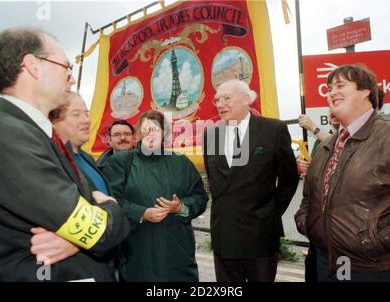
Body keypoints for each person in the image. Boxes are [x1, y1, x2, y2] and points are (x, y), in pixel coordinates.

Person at [0, 27, 128, 281]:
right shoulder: (3, 137)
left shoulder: (31, 132)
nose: (71, 78)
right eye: (66, 67)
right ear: (33, 66)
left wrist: (78, 237)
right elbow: (100, 232)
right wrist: (111, 206)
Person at [295, 64, 390, 282]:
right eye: (329, 87)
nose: (331, 92)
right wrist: (308, 224)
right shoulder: (327, 147)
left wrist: (384, 239)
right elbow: (309, 197)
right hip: (329, 265)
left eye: (340, 85)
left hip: (384, 269)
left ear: (366, 91)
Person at [203, 79, 299, 282]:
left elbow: (289, 179)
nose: (220, 104)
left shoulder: (273, 130)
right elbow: (215, 181)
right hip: (225, 236)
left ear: (246, 99)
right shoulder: (211, 134)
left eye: (226, 98)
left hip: (260, 236)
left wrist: (270, 211)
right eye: (217, 100)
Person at [103, 110, 208, 282]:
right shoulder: (120, 162)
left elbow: (200, 197)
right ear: (138, 133)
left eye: (156, 130)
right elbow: (112, 202)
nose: (151, 135)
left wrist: (181, 207)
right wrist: (142, 213)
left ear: (165, 134)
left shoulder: (181, 162)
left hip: (177, 250)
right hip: (137, 250)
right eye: (146, 129)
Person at [50, 92, 111, 195]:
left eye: (86, 114)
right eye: (76, 114)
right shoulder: (53, 161)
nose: (87, 120)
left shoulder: (88, 158)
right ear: (54, 121)